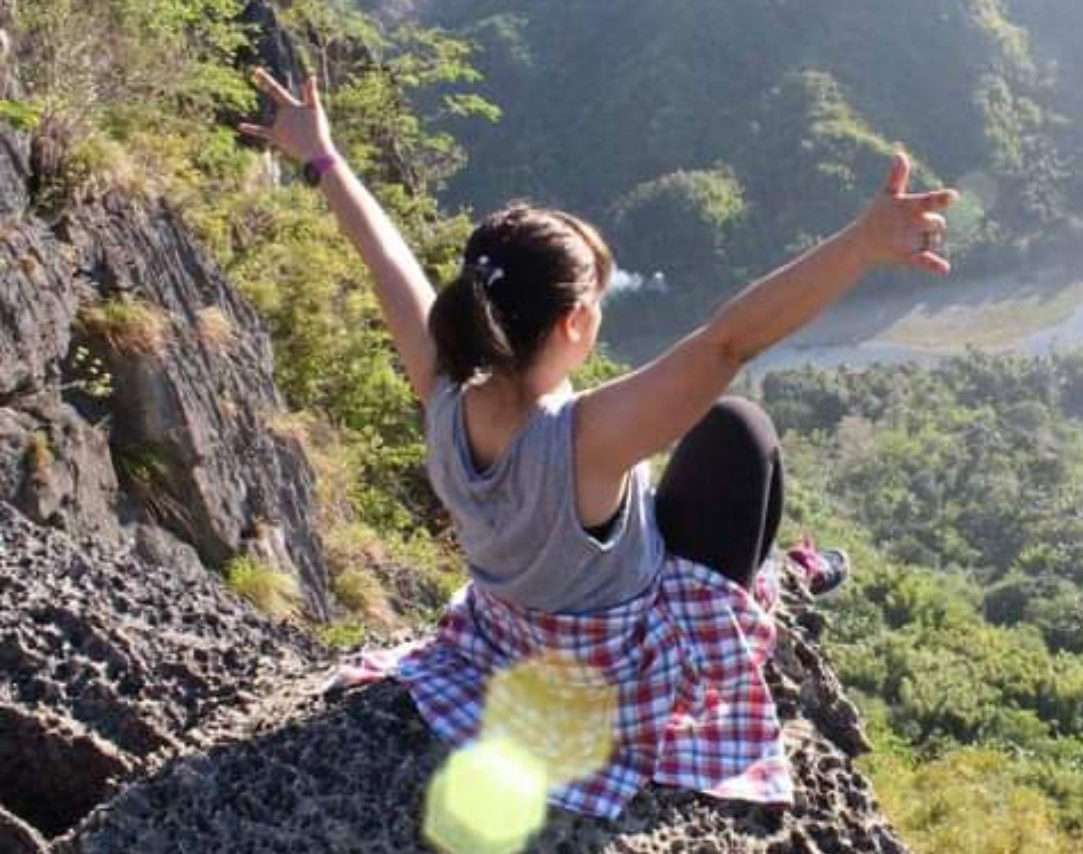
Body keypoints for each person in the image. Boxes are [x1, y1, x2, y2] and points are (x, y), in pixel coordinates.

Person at [238, 69, 956, 817]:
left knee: (703, 440)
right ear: (574, 325)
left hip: (509, 640)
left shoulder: (444, 391)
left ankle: (775, 572)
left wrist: (322, 158)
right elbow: (729, 342)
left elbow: (388, 266)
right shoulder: (583, 441)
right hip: (613, 675)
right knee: (740, 430)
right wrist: (861, 245)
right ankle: (771, 579)